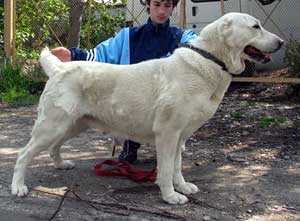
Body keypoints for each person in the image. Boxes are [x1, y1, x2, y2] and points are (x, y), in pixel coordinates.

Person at [51, 0, 197, 163]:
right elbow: (101, 55)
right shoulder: (128, 36)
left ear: (173, 8)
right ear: (148, 5)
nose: (161, 11)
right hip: (134, 104)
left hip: (167, 104)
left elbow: (200, 50)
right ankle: (130, 145)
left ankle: (172, 148)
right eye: (157, 4)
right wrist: (73, 55)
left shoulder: (184, 38)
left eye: (167, 5)